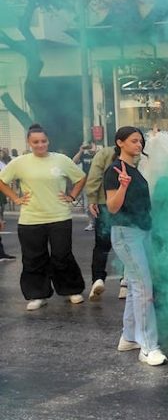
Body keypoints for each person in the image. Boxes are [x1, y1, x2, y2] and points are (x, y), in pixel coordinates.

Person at [0, 124, 86, 310]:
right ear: (29, 142)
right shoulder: (20, 162)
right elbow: (2, 181)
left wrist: (71, 196)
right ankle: (37, 294)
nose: (40, 145)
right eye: (36, 142)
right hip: (30, 219)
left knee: (62, 255)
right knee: (33, 257)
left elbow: (80, 178)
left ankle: (71, 290)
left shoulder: (61, 160)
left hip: (60, 216)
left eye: (43, 141)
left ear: (48, 141)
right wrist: (15, 198)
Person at [104, 126, 167, 366]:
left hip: (140, 233)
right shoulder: (115, 171)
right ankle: (148, 347)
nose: (139, 145)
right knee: (143, 288)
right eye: (133, 141)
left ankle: (129, 337)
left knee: (134, 287)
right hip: (126, 234)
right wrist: (123, 186)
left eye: (140, 141)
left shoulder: (135, 170)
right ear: (120, 143)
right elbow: (112, 207)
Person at [86, 141, 130, 301]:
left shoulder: (103, 154)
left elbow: (94, 176)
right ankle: (124, 284)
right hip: (127, 205)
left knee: (101, 245)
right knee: (126, 244)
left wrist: (92, 198)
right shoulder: (136, 155)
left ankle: (98, 279)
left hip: (105, 203)